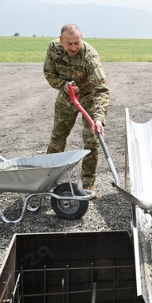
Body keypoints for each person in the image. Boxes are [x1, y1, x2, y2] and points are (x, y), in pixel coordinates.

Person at [43, 23, 110, 197]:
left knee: (91, 140)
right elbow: (50, 75)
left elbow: (101, 90)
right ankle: (46, 180)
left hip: (88, 98)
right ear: (60, 41)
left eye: (77, 43)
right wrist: (64, 86)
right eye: (69, 43)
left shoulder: (90, 57)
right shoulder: (53, 48)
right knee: (58, 137)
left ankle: (88, 185)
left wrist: (98, 118)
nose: (73, 47)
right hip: (67, 96)